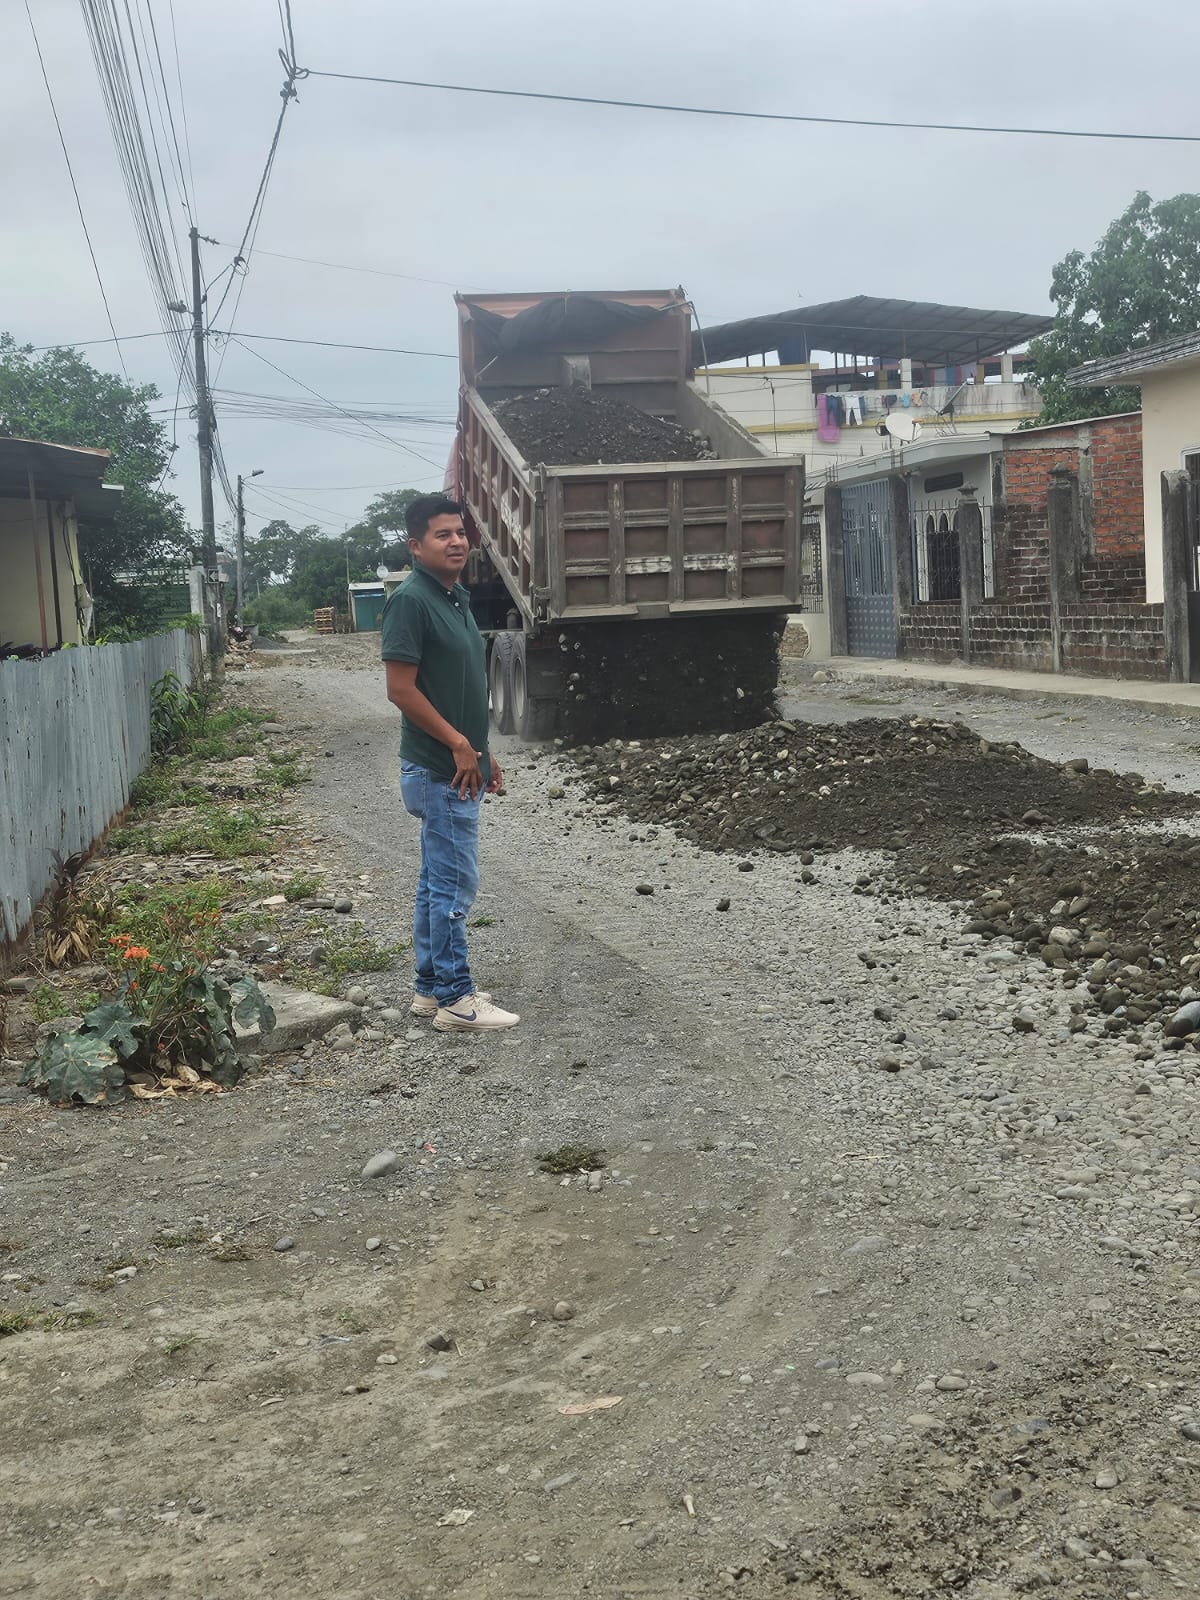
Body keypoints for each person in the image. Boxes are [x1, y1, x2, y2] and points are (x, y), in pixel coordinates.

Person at [381, 494, 519, 1033]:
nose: (457, 541)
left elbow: (459, 685)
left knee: (435, 880)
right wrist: (459, 744)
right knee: (454, 884)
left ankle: (429, 988)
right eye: (443, 534)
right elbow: (400, 689)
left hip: (460, 763)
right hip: (439, 770)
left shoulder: (454, 596)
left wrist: (483, 751)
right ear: (416, 546)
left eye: (460, 532)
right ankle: (457, 1000)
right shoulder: (411, 601)